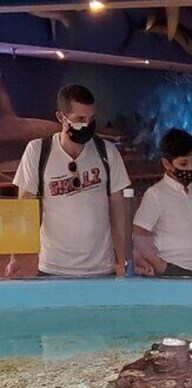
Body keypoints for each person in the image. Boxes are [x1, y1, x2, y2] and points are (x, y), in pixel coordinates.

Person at [6, 84, 131, 277]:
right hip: (54, 267)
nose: (87, 124)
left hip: (101, 267)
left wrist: (121, 257)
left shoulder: (107, 152)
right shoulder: (38, 151)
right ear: (61, 117)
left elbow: (117, 209)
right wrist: (17, 256)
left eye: (91, 118)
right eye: (80, 119)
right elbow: (24, 205)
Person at [132, 128, 192, 276]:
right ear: (167, 164)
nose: (190, 169)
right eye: (183, 164)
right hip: (173, 268)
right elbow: (140, 233)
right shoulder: (155, 195)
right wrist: (161, 267)